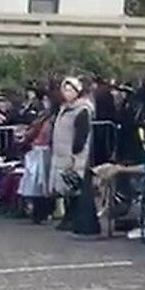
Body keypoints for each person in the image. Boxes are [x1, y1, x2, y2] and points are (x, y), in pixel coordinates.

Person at [50, 76, 94, 231]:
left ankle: (73, 218)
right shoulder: (64, 108)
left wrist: (75, 152)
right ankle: (68, 217)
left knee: (73, 186)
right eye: (65, 90)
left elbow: (81, 134)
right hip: (61, 153)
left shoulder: (82, 110)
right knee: (64, 187)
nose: (67, 93)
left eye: (70, 90)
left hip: (74, 154)